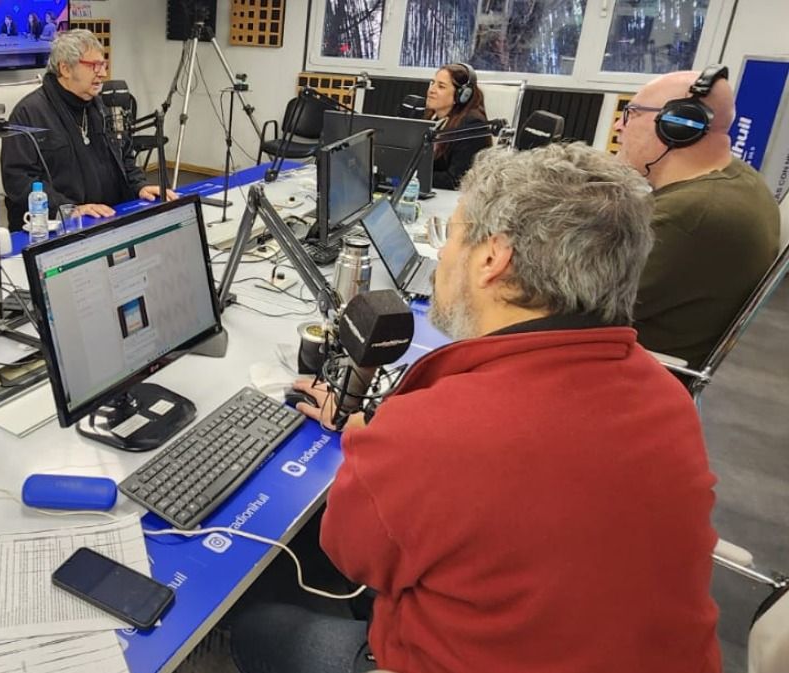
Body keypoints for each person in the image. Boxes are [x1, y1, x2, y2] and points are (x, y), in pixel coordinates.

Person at [230, 143, 720, 673]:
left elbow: (351, 555)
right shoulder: (664, 393)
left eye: (454, 234)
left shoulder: (433, 431)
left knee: (259, 627)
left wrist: (379, 445)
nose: (442, 254)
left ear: (493, 259)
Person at [614, 67, 780, 370]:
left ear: (677, 124)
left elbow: (574, 307)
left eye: (632, 113)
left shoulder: (692, 216)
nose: (618, 126)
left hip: (629, 370)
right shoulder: (738, 179)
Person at [1, 30, 176, 231]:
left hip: (110, 216)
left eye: (103, 65)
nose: (102, 73)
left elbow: (125, 157)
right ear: (65, 69)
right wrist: (69, 210)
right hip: (62, 225)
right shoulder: (29, 113)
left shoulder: (102, 107)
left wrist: (140, 186)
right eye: (94, 66)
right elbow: (19, 180)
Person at [425, 62, 492, 189]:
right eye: (432, 83)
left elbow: (456, 179)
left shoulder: (472, 125)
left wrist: (414, 176)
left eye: (441, 86)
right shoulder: (432, 118)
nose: (431, 90)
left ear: (462, 95)